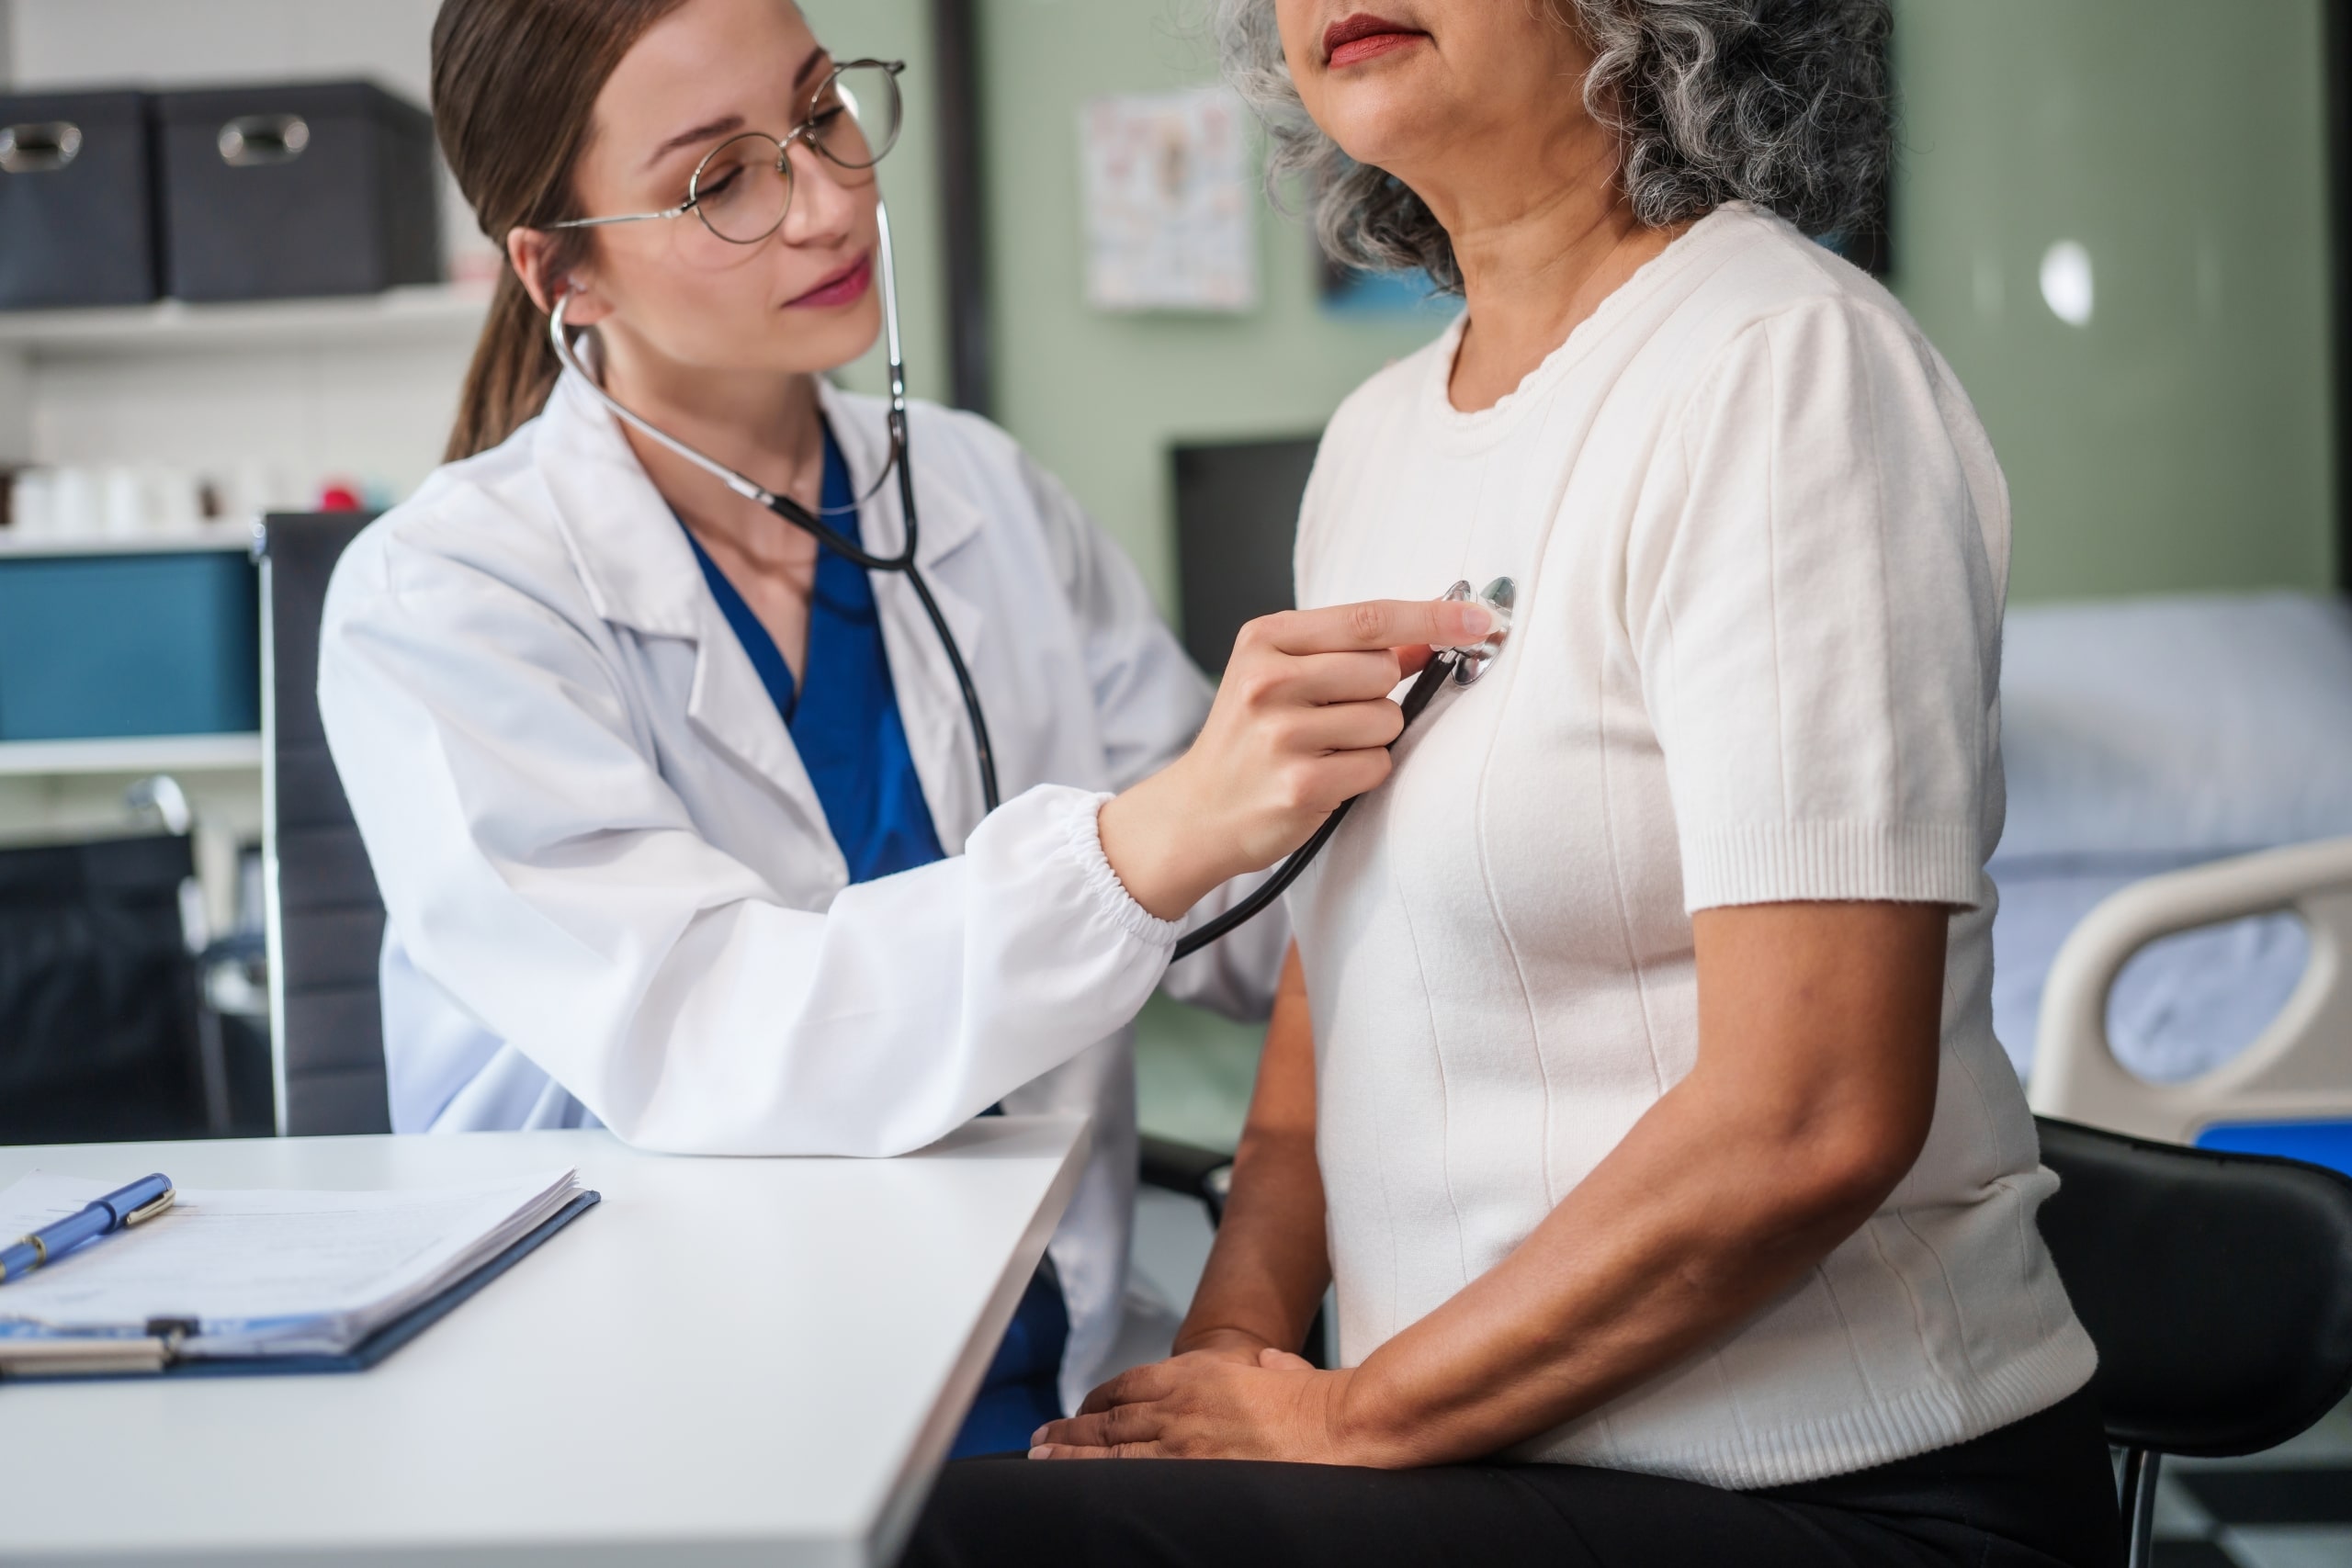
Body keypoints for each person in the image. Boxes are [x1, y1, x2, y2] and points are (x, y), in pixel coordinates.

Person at [903, 0, 2120, 1562]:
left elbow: (1813, 1112)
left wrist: (1346, 1420)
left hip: (1834, 1482)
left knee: (933, 1542)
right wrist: (1230, 1358)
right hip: (1466, 1462)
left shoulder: (1780, 366)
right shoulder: (1372, 445)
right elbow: (1329, 1013)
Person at [318, 0, 1494, 1459]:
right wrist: (1153, 840)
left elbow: (1256, 925)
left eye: (820, 114)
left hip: (1034, 1389)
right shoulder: (447, 597)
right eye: (720, 180)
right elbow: (707, 1036)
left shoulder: (982, 498)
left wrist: (1475, 759)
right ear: (566, 270)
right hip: (655, 1418)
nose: (826, 203)